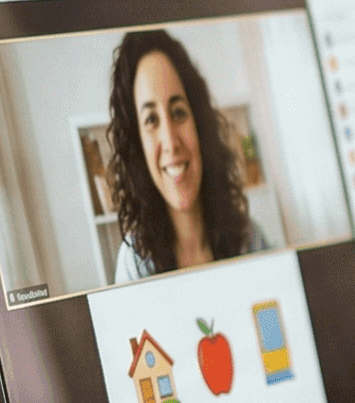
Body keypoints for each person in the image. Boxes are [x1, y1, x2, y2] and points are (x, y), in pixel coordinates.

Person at [108, 28, 267, 282]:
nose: (170, 142)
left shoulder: (249, 239)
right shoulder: (134, 265)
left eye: (179, 112)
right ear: (137, 145)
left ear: (200, 123)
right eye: (151, 119)